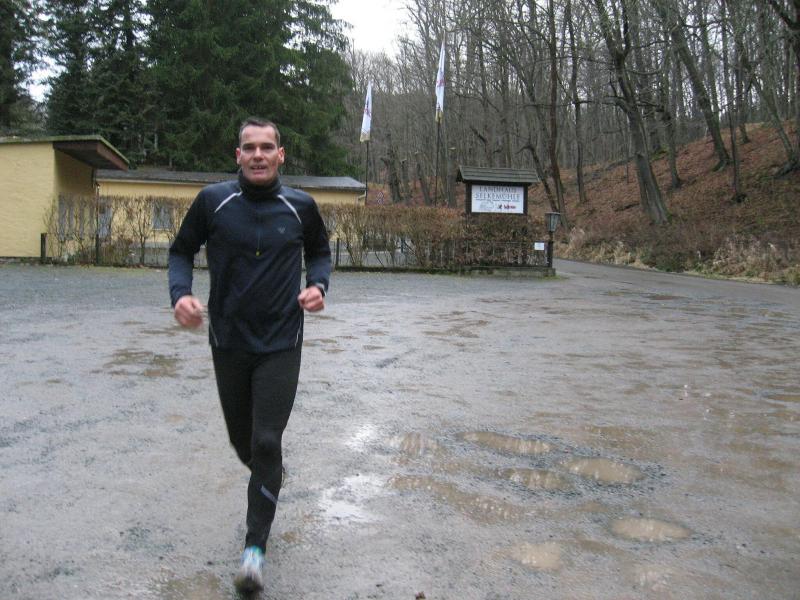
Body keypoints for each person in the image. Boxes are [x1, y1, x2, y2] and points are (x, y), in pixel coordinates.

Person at [168, 117, 331, 593]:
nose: (258, 155)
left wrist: (318, 285)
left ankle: (254, 550)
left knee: (264, 441)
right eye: (249, 147)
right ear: (237, 155)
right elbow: (180, 252)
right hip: (229, 342)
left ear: (281, 155)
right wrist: (181, 294)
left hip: (281, 343)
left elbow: (320, 254)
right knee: (245, 445)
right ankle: (270, 475)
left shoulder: (300, 206)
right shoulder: (213, 201)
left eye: (266, 147)